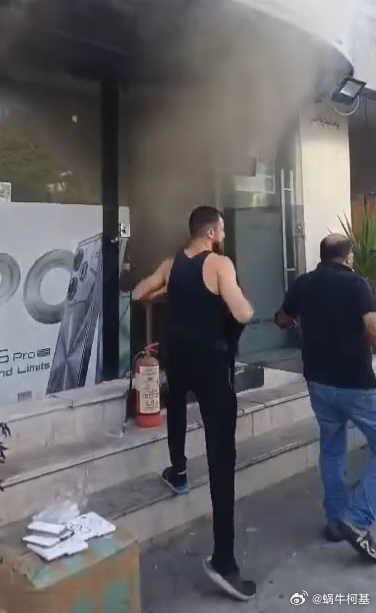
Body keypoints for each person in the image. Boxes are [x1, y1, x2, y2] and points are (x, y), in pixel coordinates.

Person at [133, 206, 256, 601]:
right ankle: (223, 560)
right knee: (221, 455)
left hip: (179, 356)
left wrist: (167, 291)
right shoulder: (219, 264)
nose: (224, 234)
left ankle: (179, 471)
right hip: (211, 363)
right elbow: (243, 312)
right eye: (222, 228)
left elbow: (138, 294)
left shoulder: (171, 265)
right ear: (211, 233)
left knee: (177, 411)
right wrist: (234, 299)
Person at [275, 233, 376, 564]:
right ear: (348, 257)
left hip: (318, 382)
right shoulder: (357, 285)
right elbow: (373, 327)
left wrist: (295, 320)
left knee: (332, 448)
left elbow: (282, 319)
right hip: (356, 384)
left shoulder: (303, 283)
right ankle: (358, 518)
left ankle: (335, 522)